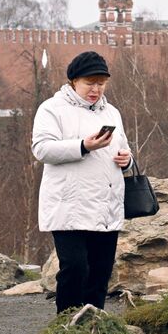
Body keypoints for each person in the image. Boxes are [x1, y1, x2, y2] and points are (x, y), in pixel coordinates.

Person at [32, 51, 132, 313]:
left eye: (101, 83)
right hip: (69, 206)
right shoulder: (51, 109)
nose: (95, 89)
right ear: (74, 81)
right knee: (75, 269)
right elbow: (42, 149)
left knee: (100, 275)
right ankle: (65, 328)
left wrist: (127, 160)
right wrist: (83, 146)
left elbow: (124, 149)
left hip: (105, 207)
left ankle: (92, 329)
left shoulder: (112, 113)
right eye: (90, 83)